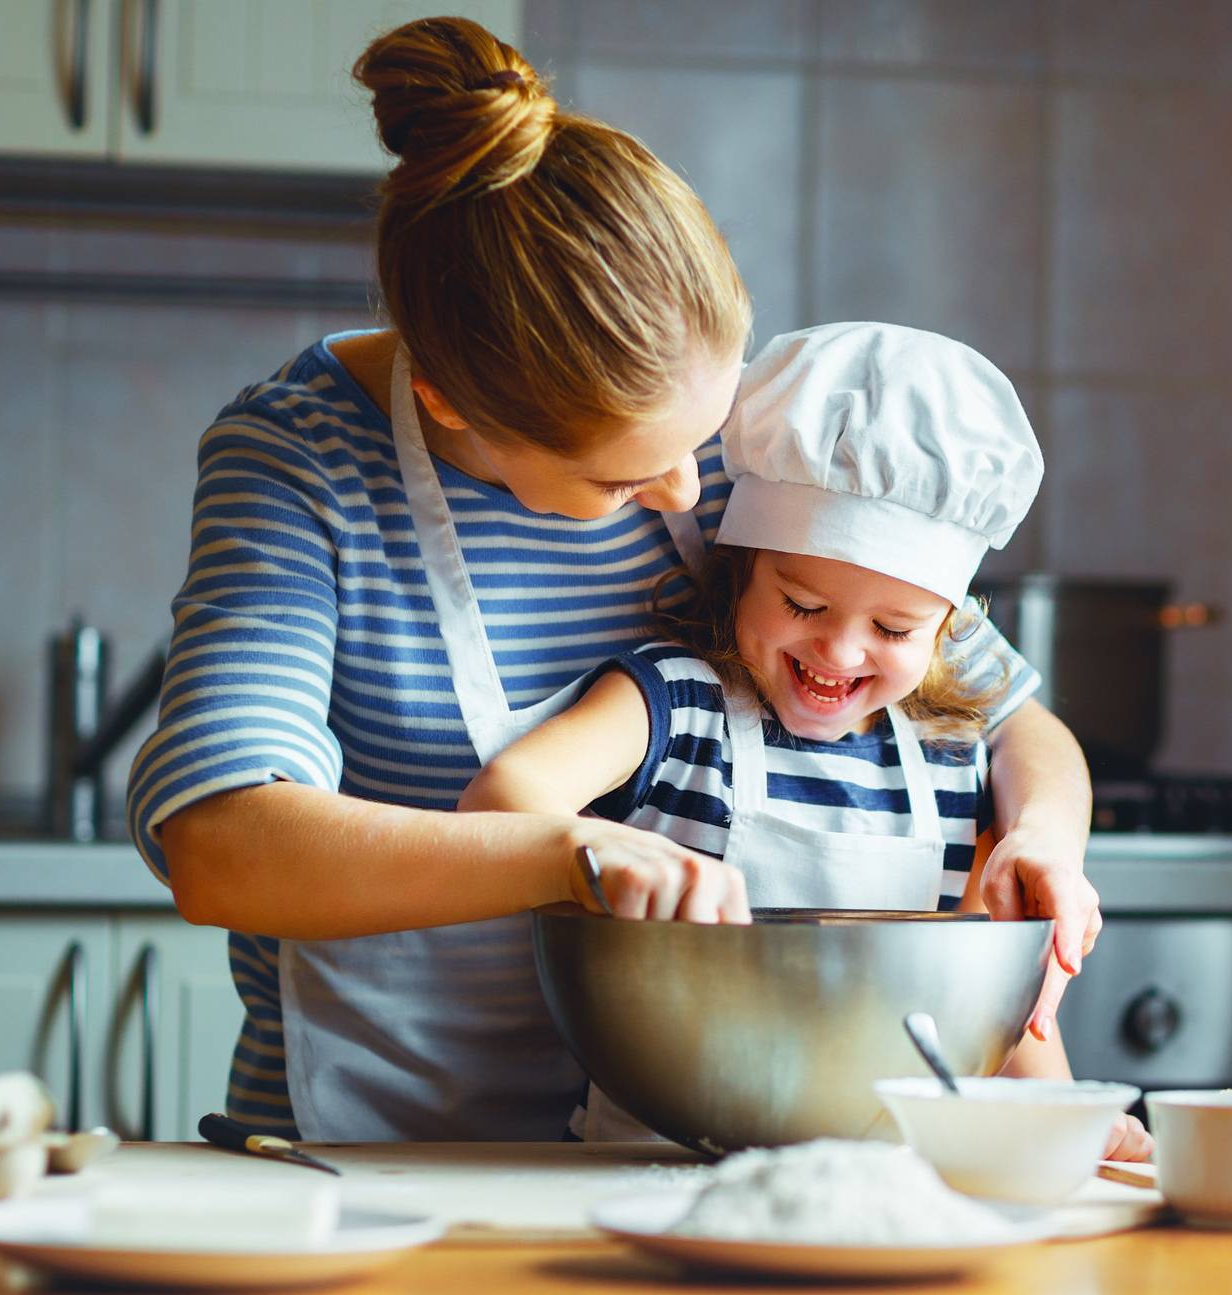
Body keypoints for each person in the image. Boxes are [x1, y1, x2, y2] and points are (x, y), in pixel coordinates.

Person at [125, 15, 1102, 1144]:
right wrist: (565, 851)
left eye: (703, 438)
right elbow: (223, 844)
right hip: (386, 1151)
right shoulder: (302, 462)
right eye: (625, 477)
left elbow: (1008, 715)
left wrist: (1043, 839)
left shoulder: (762, 446)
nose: (692, 492)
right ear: (451, 402)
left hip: (680, 1153)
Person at [461, 322, 1153, 1161]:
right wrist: (601, 857)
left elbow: (997, 1015)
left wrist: (1063, 1124)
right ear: (741, 569)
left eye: (894, 627)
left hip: (892, 1183)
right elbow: (502, 798)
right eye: (800, 604)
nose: (840, 650)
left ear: (950, 631)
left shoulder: (948, 754)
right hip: (653, 1161)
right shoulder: (676, 703)